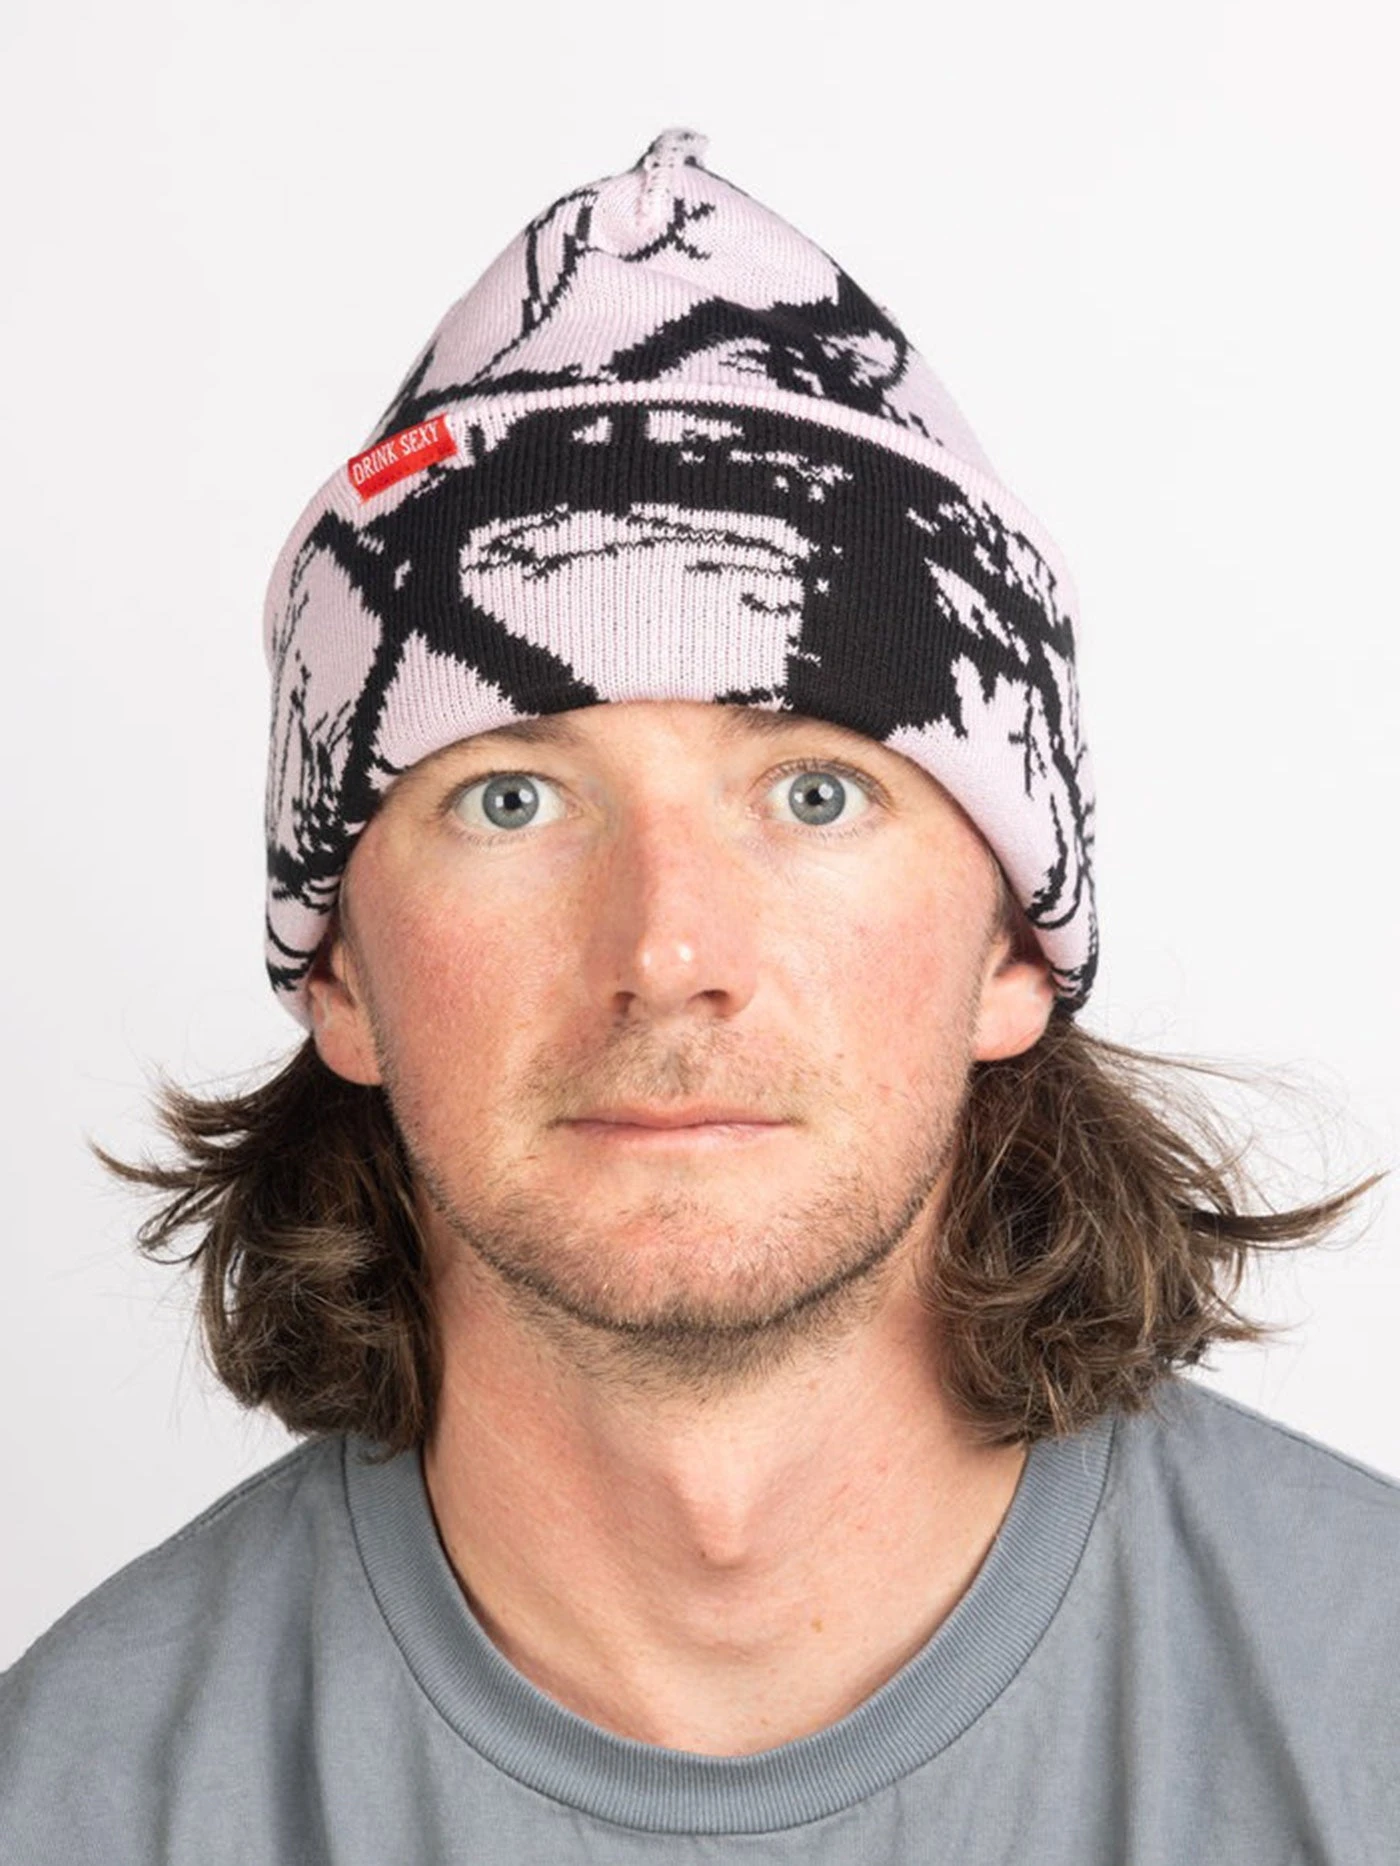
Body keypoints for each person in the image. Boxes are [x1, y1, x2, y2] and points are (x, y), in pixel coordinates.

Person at [2, 126, 1396, 1862]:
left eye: (815, 791)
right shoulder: (75, 1800)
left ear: (1014, 948)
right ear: (340, 969)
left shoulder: (1364, 1728)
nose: (669, 952)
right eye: (512, 798)